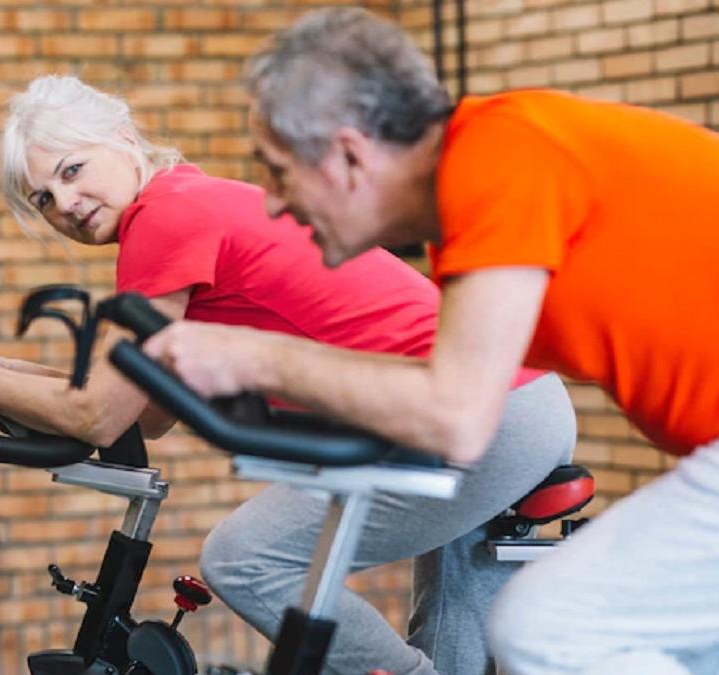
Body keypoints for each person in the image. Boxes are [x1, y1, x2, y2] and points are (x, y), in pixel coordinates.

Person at [0, 74, 577, 674]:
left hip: (478, 412)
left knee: (245, 557)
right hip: (512, 398)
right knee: (447, 634)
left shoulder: (162, 221)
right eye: (43, 199)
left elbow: (101, 414)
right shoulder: (187, 202)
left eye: (72, 170)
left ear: (123, 136)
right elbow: (147, 406)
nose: (65, 203)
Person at [138, 8, 719, 675]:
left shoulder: (496, 160)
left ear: (348, 154)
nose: (272, 204)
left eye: (276, 172)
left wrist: (255, 356)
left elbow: (456, 414)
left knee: (550, 627)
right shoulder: (467, 204)